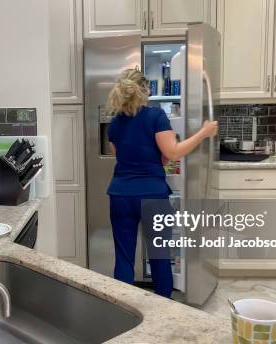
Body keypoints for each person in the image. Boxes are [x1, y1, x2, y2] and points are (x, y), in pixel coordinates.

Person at [106, 68, 218, 298]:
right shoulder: (155, 116)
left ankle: (122, 308)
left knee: (124, 257)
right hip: (152, 196)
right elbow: (172, 153)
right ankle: (163, 309)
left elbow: (121, 155)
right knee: (159, 255)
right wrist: (203, 133)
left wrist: (157, 156)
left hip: (121, 195)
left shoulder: (115, 123)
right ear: (144, 91)